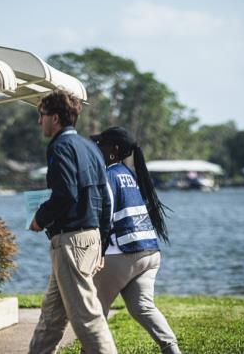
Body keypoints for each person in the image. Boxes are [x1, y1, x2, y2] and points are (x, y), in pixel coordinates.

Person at [28, 91, 117, 354]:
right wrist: (101, 243)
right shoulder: (90, 147)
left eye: (41, 115)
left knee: (87, 319)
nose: (39, 122)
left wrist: (39, 218)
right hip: (88, 240)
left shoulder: (60, 147)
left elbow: (65, 194)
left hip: (71, 242)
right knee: (51, 318)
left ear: (55, 118)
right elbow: (106, 198)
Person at [90, 126, 182, 354]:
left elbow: (103, 217)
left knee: (93, 312)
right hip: (149, 253)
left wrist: (98, 252)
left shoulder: (108, 175)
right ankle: (172, 349)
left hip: (121, 255)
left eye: (101, 144)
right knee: (142, 307)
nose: (97, 147)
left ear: (114, 150)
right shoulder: (129, 174)